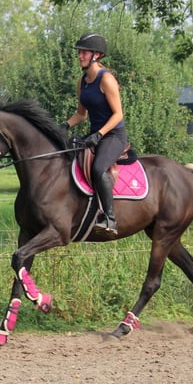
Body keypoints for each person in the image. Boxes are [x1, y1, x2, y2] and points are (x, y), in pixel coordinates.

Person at [61, 32, 128, 237]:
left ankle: (110, 218)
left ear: (96, 55)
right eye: (79, 52)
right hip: (95, 134)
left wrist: (99, 134)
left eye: (84, 52)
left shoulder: (106, 79)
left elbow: (118, 115)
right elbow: (81, 114)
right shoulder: (83, 81)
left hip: (113, 135)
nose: (80, 56)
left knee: (98, 168)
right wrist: (64, 125)